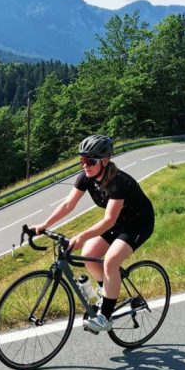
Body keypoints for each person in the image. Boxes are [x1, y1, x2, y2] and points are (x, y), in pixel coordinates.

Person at [30, 134, 155, 332]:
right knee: (89, 256)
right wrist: (44, 225)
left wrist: (81, 236)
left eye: (90, 161)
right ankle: (107, 293)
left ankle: (105, 317)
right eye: (82, 161)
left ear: (105, 161)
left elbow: (108, 220)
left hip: (138, 223)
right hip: (118, 223)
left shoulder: (118, 182)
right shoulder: (86, 178)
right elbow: (68, 204)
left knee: (111, 261)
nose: (85, 165)